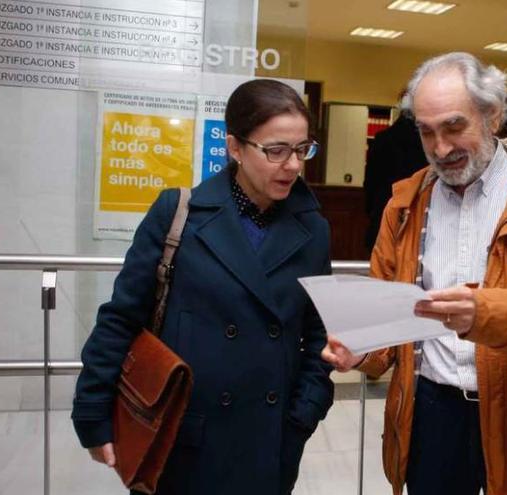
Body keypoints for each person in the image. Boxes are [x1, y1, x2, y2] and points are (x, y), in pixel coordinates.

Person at [322, 52, 507, 495]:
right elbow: (385, 310)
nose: (440, 148)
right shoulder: (406, 203)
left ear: (492, 115)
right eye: (427, 132)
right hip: (430, 414)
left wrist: (481, 312)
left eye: (454, 127)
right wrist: (362, 350)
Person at [72, 79, 334, 495]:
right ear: (234, 148)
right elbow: (123, 316)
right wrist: (91, 409)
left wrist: (303, 413)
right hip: (185, 435)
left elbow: (319, 333)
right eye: (276, 150)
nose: (293, 165)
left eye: (303, 149)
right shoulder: (178, 214)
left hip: (269, 439)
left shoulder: (313, 229)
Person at [363, 94, 427, 250]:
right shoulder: (426, 143)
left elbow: (369, 187)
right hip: (415, 218)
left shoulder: (381, 139)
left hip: (382, 216)